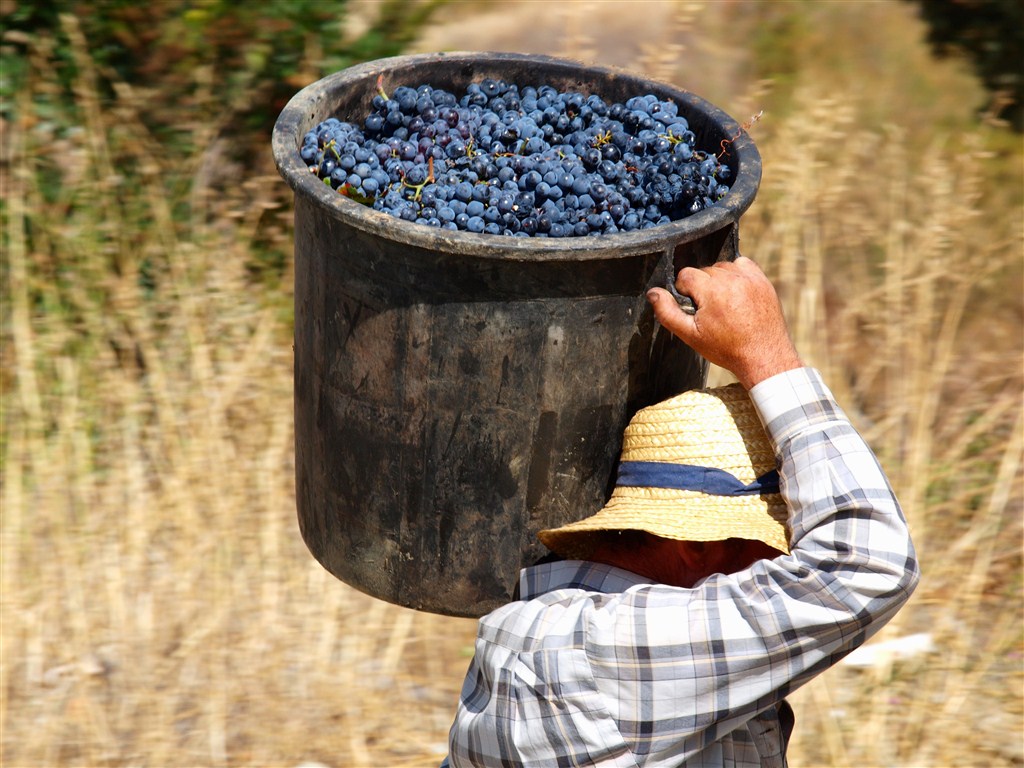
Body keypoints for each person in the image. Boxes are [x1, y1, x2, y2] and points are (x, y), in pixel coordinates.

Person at [440, 256, 921, 768]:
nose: (781, 568)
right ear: (694, 545)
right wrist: (765, 355)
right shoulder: (599, 655)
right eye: (775, 549)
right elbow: (868, 565)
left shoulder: (561, 635)